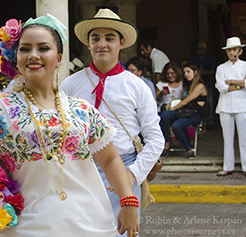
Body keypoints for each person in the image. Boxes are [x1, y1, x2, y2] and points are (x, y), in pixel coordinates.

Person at [0, 14, 140, 237]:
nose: (33, 55)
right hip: (28, 228)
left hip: (91, 224)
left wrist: (128, 200)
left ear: (59, 57)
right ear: (15, 57)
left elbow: (110, 158)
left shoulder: (81, 110)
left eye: (43, 48)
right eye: (25, 49)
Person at [59, 9, 164, 236]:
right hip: (80, 171)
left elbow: (155, 139)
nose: (102, 44)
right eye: (95, 38)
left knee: (122, 232)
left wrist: (132, 174)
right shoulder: (70, 84)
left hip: (125, 170)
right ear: (88, 43)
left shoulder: (137, 86)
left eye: (109, 38)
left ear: (121, 42)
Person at [159, 64, 207, 158]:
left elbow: (186, 101)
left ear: (195, 72)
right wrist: (171, 104)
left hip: (194, 114)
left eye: (188, 72)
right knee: (164, 115)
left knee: (176, 126)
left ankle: (189, 149)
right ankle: (167, 142)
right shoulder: (187, 86)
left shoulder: (200, 86)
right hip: (184, 113)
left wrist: (172, 108)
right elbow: (181, 100)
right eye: (184, 72)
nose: (186, 74)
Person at [215, 37, 246, 176]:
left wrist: (233, 82)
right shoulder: (221, 68)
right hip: (225, 106)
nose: (232, 52)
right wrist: (240, 84)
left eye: (234, 49)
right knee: (227, 138)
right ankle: (228, 166)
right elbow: (221, 87)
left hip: (242, 105)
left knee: (244, 138)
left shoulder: (245, 65)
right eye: (229, 50)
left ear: (240, 51)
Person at [189, 41, 217, 129]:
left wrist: (203, 72)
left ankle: (210, 122)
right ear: (196, 50)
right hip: (194, 84)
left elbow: (213, 70)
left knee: (210, 102)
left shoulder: (209, 58)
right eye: (199, 49)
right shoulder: (193, 58)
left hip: (207, 82)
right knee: (195, 103)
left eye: (203, 49)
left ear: (206, 50)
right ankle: (198, 123)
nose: (201, 51)